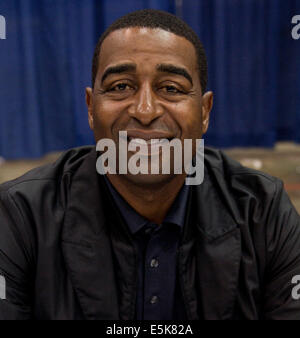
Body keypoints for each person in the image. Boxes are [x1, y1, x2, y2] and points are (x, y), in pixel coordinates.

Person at [0, 9, 300, 320]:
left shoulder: (262, 211)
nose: (145, 111)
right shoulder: (22, 216)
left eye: (171, 88)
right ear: (91, 108)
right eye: (120, 87)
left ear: (205, 111)